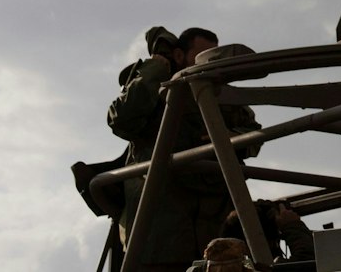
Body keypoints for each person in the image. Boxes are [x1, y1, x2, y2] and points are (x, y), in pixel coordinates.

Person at [107, 26, 262, 272]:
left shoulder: (220, 97)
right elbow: (121, 119)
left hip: (213, 236)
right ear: (179, 56)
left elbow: (254, 134)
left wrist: (233, 137)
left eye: (213, 57)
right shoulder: (157, 93)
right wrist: (156, 67)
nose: (209, 64)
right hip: (159, 240)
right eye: (202, 57)